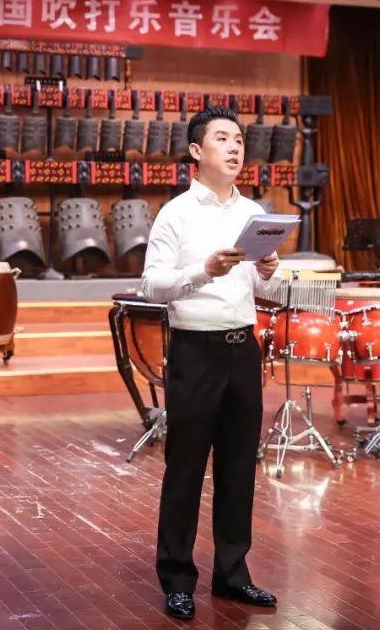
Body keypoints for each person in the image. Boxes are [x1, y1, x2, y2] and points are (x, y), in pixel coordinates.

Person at [140, 105, 280, 621]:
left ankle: (233, 575)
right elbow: (152, 285)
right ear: (197, 151)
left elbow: (260, 287)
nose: (235, 147)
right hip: (195, 351)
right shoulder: (176, 213)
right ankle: (178, 578)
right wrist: (203, 270)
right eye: (223, 138)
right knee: (185, 469)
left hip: (243, 349)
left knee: (239, 469)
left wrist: (268, 271)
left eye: (239, 139)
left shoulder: (255, 213)